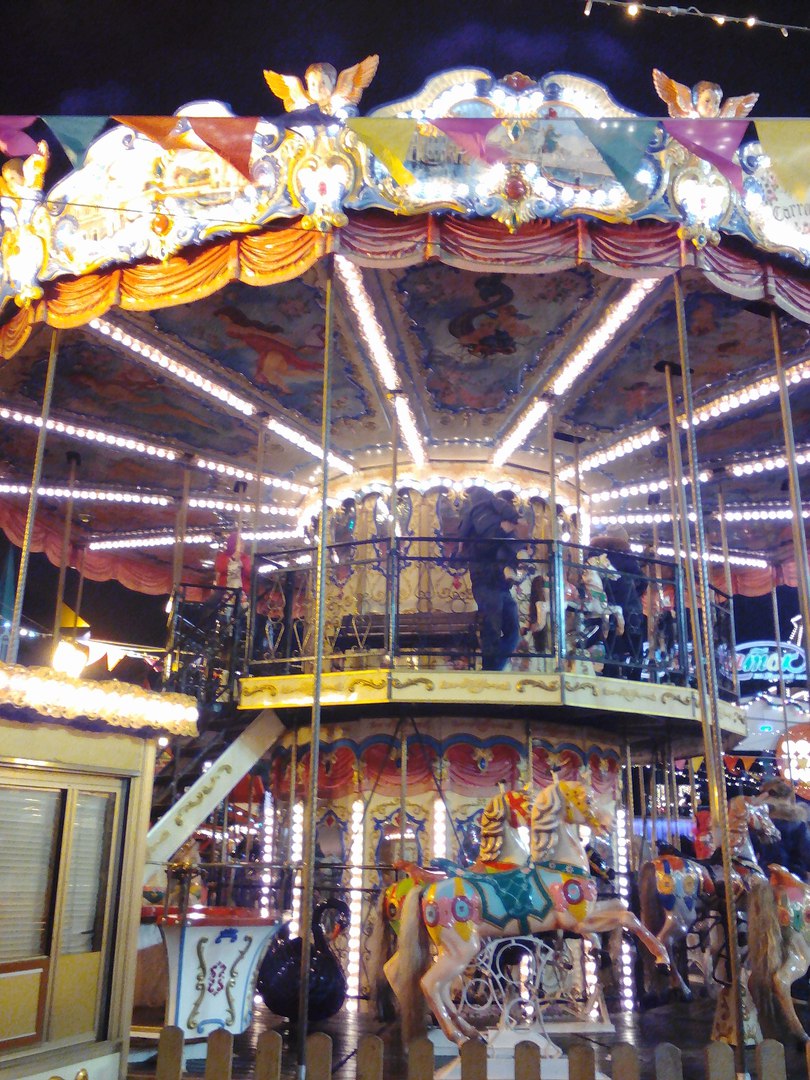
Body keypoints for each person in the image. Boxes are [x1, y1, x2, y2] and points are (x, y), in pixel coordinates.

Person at [460, 489, 522, 671]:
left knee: (513, 631)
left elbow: (506, 548)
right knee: (492, 628)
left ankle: (493, 670)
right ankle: (490, 672)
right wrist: (501, 531)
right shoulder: (477, 525)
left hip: (501, 583)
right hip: (485, 581)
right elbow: (480, 549)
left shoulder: (493, 524)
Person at [591, 524, 647, 679]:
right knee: (635, 639)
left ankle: (609, 669)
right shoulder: (625, 556)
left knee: (610, 638)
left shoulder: (595, 553)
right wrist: (635, 592)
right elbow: (643, 581)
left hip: (604, 601)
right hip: (627, 604)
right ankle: (635, 673)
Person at [753, 777, 810, 881]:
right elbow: (807, 853)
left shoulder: (758, 822)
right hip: (794, 878)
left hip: (765, 876)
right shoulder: (798, 823)